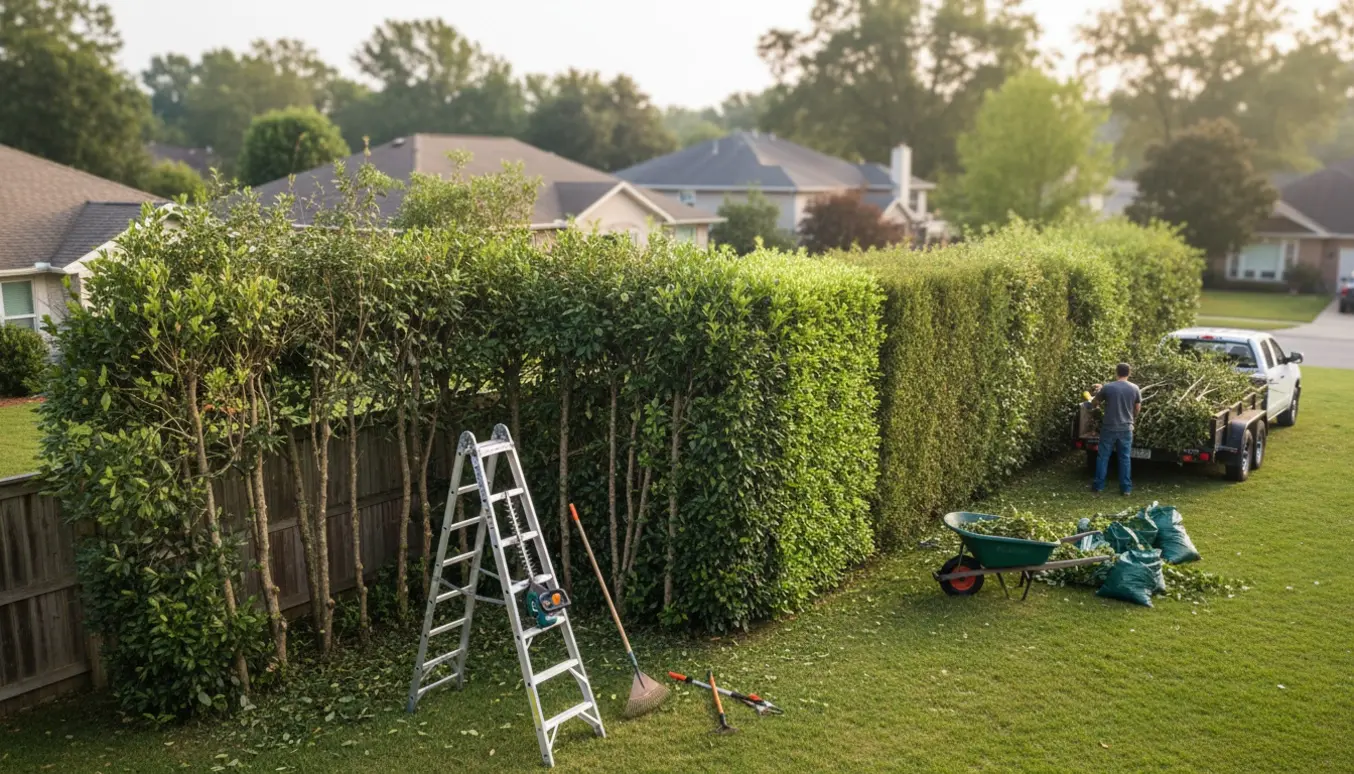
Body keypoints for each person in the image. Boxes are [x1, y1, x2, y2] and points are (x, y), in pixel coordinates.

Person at [1090, 362, 1142, 495]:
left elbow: (1094, 403)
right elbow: (1137, 408)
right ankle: (1126, 489)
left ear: (1116, 372)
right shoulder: (1135, 388)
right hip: (1126, 427)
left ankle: (1098, 486)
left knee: (1103, 457)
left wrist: (1097, 395)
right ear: (1129, 373)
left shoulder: (1108, 387)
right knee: (1124, 458)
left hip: (1109, 427)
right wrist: (1132, 419)